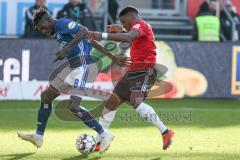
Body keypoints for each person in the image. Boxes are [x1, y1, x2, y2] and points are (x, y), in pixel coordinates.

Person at [17, 7, 129, 154]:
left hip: (83, 67)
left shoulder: (62, 24)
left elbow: (84, 32)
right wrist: (111, 55)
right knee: (46, 97)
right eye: (40, 30)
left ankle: (104, 134)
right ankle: (38, 137)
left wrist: (65, 50)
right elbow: (90, 39)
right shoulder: (57, 31)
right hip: (72, 67)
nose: (43, 31)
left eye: (42, 27)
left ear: (48, 20)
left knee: (74, 107)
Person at [88, 6, 174, 150]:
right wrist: (121, 29)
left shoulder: (141, 24)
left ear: (132, 16)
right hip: (132, 71)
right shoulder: (139, 26)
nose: (123, 24)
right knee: (111, 103)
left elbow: (129, 36)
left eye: (124, 21)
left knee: (136, 101)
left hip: (145, 70)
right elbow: (131, 33)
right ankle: (101, 140)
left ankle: (166, 132)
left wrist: (100, 35)